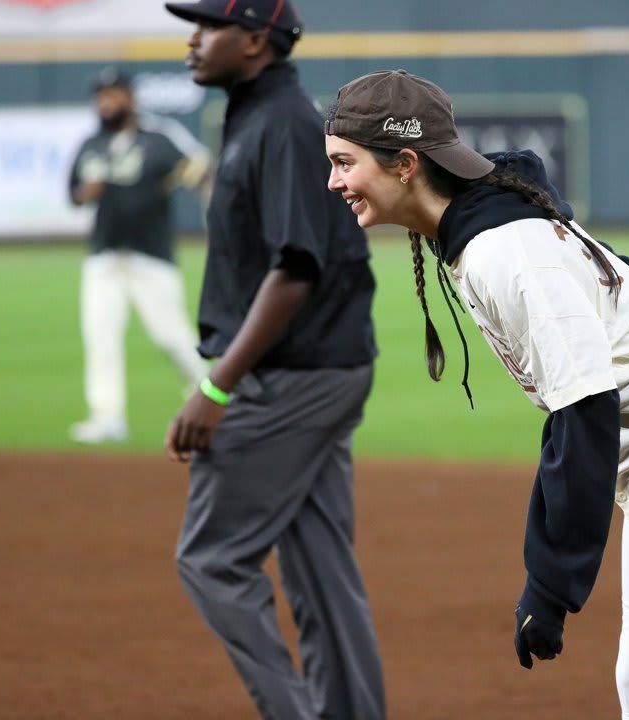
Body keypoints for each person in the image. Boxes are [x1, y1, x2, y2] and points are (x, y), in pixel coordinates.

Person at [324, 69, 629, 720]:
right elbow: (613, 281)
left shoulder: (504, 251)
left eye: (344, 162)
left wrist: (549, 585)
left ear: (406, 163)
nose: (334, 181)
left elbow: (582, 410)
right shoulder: (480, 227)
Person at [161, 2, 385, 719]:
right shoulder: (261, 115)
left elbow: (297, 267)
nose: (192, 39)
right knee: (320, 566)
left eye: (207, 26)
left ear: (256, 38)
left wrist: (216, 388)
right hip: (323, 367)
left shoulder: (283, 125)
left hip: (290, 377)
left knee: (211, 560)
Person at [67, 67, 209, 444]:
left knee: (172, 336)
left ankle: (212, 397)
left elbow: (198, 166)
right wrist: (87, 192)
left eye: (114, 94)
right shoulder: (91, 144)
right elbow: (73, 194)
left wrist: (190, 179)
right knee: (101, 336)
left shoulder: (157, 137)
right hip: (104, 255)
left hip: (151, 253)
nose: (107, 102)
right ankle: (106, 417)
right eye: (102, 96)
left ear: (130, 96)